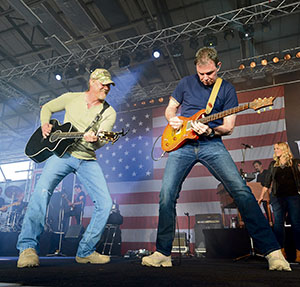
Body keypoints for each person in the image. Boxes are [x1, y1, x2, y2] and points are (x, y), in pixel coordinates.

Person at [142, 47, 291, 271]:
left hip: (210, 144)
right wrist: (173, 120)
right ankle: (163, 253)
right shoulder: (185, 83)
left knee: (241, 191)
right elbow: (170, 109)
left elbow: (229, 128)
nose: (205, 78)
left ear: (218, 66)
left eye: (209, 73)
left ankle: (272, 252)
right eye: (201, 74)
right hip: (182, 144)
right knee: (166, 195)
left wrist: (210, 131)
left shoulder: (226, 89)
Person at [16, 68, 116, 268]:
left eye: (108, 85)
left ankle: (86, 251)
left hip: (87, 159)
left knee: (105, 204)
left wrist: (93, 141)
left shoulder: (109, 112)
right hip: (62, 155)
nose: (105, 87)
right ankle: (27, 248)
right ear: (91, 82)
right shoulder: (71, 98)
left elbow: (101, 142)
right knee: (41, 192)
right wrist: (45, 124)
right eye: (102, 83)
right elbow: (47, 108)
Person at [258, 142, 300, 263]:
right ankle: (281, 252)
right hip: (277, 198)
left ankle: (299, 252)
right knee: (278, 225)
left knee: (296, 224)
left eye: (277, 148)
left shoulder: (295, 163)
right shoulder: (273, 165)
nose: (275, 150)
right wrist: (261, 197)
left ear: (284, 149)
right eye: (274, 149)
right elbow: (267, 183)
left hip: (293, 197)